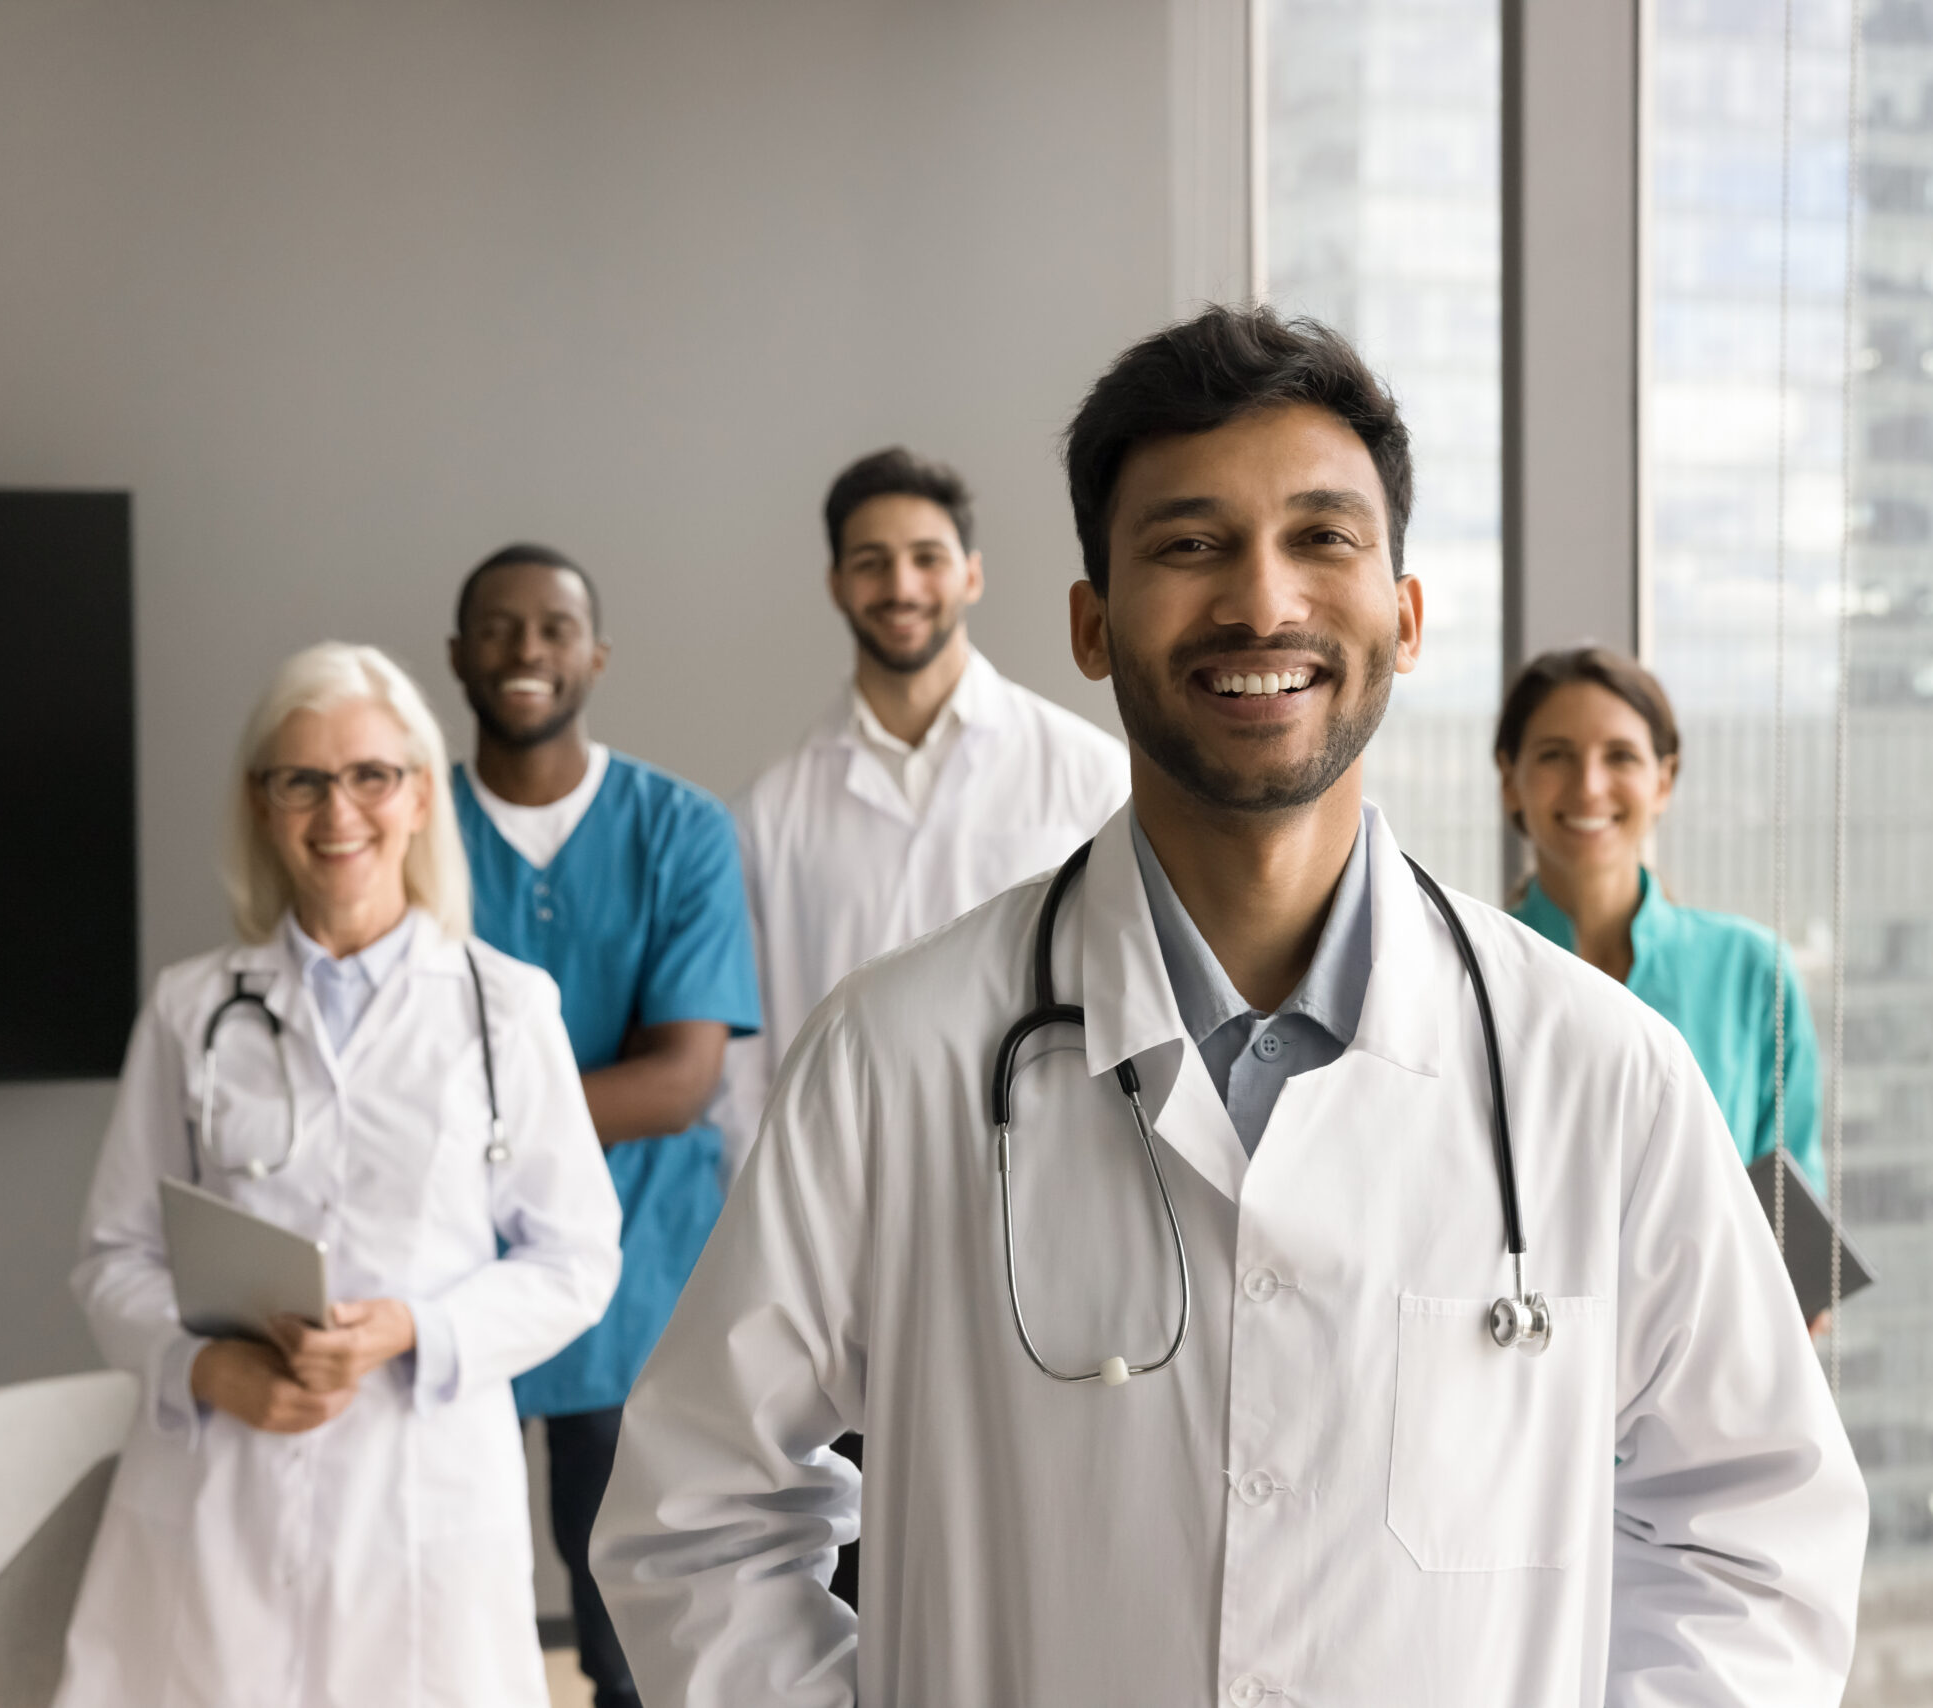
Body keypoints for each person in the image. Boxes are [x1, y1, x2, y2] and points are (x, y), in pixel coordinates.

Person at [592, 306, 1865, 1706]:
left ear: (1407, 619)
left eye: (1323, 537)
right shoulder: (893, 1054)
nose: (1262, 601)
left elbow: (1757, 1526)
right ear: (1089, 625)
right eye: (1190, 545)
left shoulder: (1631, 1049)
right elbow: (696, 1515)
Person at [58, 642, 621, 1708]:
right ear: (262, 803)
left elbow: (577, 1260)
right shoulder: (189, 1008)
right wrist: (202, 1370)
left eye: (371, 775)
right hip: (223, 1479)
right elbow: (112, 1257)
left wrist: (412, 1327)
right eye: (302, 780)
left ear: (420, 796)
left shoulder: (505, 1008)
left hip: (422, 1477)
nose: (338, 811)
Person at [443, 543, 761, 1708]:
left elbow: (679, 1081)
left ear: (597, 656)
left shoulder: (678, 828)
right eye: (498, 627)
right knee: (435, 1614)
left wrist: (453, 1121)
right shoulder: (408, 826)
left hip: (632, 1282)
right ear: (458, 656)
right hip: (440, 1276)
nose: (526, 649)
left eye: (554, 628)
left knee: (632, 1638)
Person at [715, 446, 1127, 1167]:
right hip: (843, 1182)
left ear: (971, 574)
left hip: (1048, 1170)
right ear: (838, 584)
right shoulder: (766, 813)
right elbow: (741, 1065)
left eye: (927, 558)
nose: (900, 585)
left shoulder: (1093, 775)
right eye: (871, 562)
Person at [1493, 645, 1827, 1194]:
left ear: (1663, 781)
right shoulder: (1466, 973)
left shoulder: (1753, 972)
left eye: (1620, 756)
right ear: (1511, 780)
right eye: (1555, 755)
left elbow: (1790, 1218)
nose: (1589, 786)